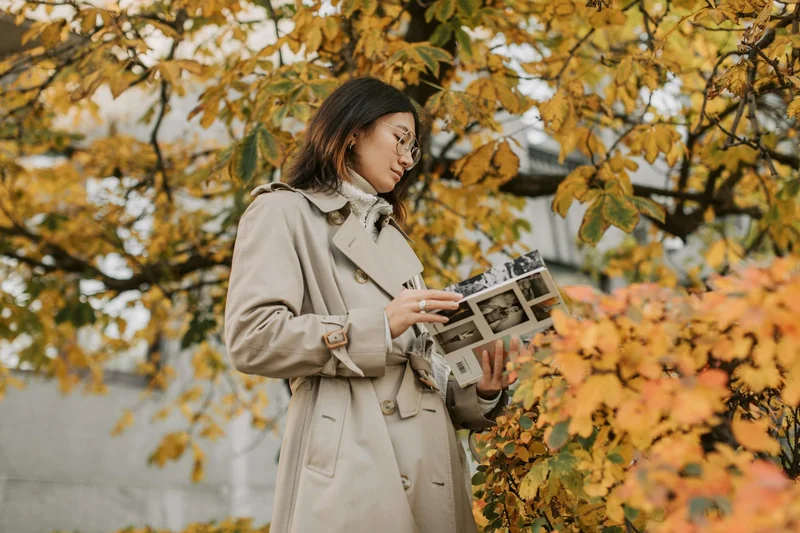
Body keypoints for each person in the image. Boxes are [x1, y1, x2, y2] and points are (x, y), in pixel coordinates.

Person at [224, 76, 518, 533]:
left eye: (414, 149)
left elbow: (423, 378)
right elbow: (252, 338)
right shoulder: (283, 212)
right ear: (352, 129)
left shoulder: (394, 239)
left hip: (430, 468)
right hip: (355, 462)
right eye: (400, 139)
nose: (407, 158)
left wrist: (481, 390)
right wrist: (378, 326)